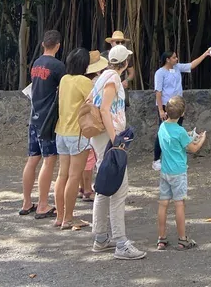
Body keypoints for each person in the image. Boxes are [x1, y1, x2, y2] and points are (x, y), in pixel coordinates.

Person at [90, 44, 146, 260]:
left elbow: (90, 102)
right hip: (109, 138)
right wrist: (115, 138)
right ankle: (121, 243)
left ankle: (101, 237)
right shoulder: (113, 78)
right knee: (119, 188)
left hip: (100, 137)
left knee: (104, 186)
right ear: (126, 63)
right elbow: (104, 108)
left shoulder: (101, 77)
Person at [20, 29, 65, 219]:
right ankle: (43, 204)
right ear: (58, 46)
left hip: (34, 116)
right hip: (48, 120)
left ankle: (27, 202)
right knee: (49, 160)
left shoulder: (36, 64)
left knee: (32, 159)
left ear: (43, 45)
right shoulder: (58, 66)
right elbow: (63, 90)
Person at [152, 46, 211, 171]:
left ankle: (176, 159)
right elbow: (158, 92)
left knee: (178, 131)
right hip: (166, 105)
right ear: (167, 60)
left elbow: (191, 65)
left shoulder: (177, 68)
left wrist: (205, 54)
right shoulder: (160, 73)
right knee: (162, 132)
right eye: (174, 57)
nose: (177, 59)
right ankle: (156, 160)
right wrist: (160, 110)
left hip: (178, 104)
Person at [156, 96, 207, 250]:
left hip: (165, 171)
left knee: (163, 204)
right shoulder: (180, 131)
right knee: (179, 204)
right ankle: (182, 239)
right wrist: (202, 138)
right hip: (178, 172)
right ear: (182, 113)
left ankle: (161, 238)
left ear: (166, 110)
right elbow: (193, 148)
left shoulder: (162, 127)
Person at [54, 47, 93, 230]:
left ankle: (60, 216)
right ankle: (68, 219)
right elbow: (95, 102)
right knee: (74, 176)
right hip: (77, 134)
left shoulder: (64, 79)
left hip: (61, 132)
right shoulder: (84, 81)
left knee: (62, 175)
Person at [79, 50, 108, 202]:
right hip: (91, 121)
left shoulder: (78, 79)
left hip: (79, 121)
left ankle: (81, 187)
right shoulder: (97, 81)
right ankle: (87, 189)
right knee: (90, 157)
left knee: (81, 156)